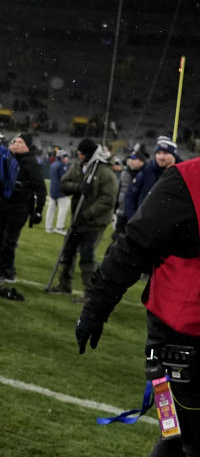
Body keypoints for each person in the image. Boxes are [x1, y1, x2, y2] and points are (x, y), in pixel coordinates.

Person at [75, 157, 200, 457]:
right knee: (180, 436)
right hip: (180, 343)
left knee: (175, 436)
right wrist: (96, 306)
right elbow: (133, 245)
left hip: (177, 339)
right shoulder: (187, 179)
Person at [47, 138, 118, 302]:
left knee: (87, 257)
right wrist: (78, 188)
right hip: (77, 219)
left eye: (81, 153)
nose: (78, 156)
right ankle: (64, 285)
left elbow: (108, 200)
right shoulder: (78, 166)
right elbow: (64, 183)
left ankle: (90, 293)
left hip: (94, 222)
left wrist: (86, 215)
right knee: (68, 252)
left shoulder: (104, 172)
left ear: (89, 154)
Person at [0, 133, 46, 283]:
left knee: (8, 241)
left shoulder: (30, 163)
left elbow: (40, 188)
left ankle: (2, 273)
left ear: (27, 146)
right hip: (4, 205)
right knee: (0, 239)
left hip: (19, 207)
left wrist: (38, 210)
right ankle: (9, 271)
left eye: (20, 142)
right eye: (14, 141)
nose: (15, 143)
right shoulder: (8, 158)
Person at [125, 134, 181, 220]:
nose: (161, 157)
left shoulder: (182, 173)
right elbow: (130, 194)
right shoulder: (147, 171)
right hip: (145, 223)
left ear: (173, 155)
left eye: (165, 153)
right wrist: (133, 218)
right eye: (158, 153)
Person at [45, 150, 70, 234]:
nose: (67, 159)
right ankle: (59, 227)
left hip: (53, 189)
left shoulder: (53, 164)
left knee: (51, 209)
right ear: (62, 157)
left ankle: (48, 227)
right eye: (66, 157)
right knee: (63, 207)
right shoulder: (62, 165)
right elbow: (64, 179)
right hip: (60, 190)